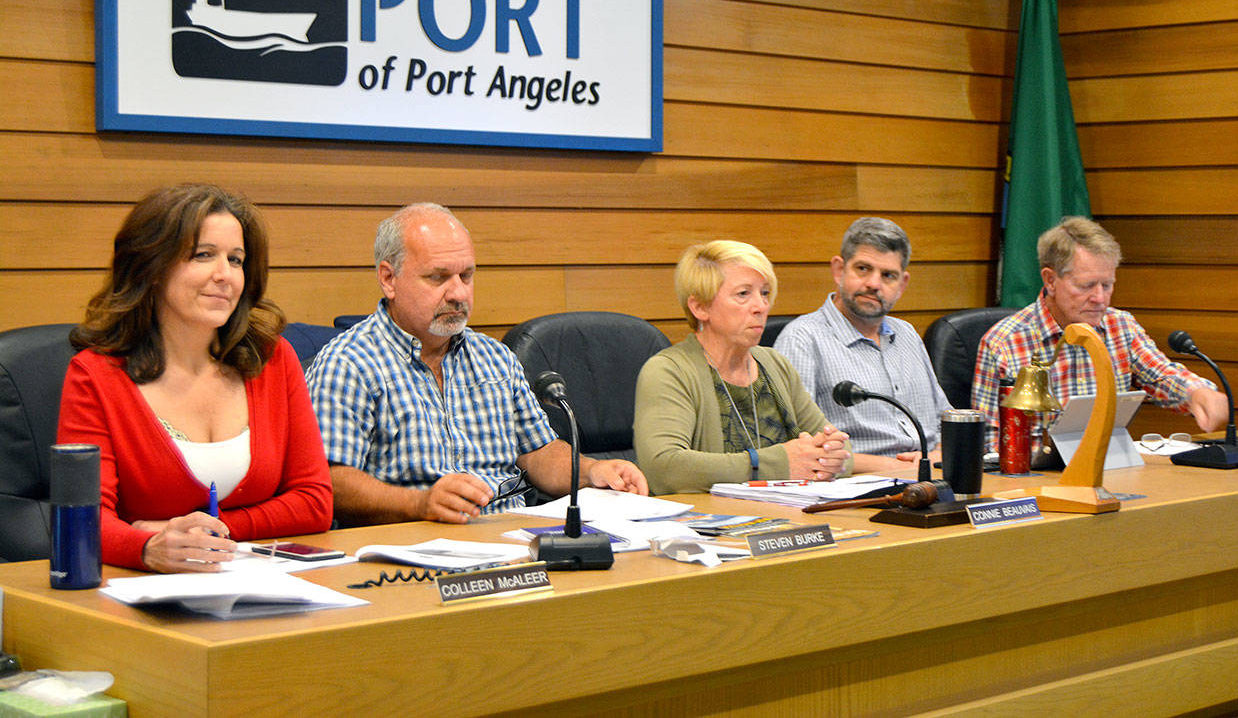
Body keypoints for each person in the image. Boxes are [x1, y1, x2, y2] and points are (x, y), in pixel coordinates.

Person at [305, 203, 647, 526]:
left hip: (514, 537)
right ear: (388, 279)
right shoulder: (347, 363)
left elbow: (540, 452)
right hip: (414, 543)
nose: (458, 293)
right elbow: (330, 482)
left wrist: (592, 472)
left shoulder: (494, 357)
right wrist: (419, 504)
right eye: (438, 278)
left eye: (466, 276)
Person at [56, 184, 333, 573]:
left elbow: (314, 502)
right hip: (143, 595)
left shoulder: (271, 358)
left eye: (236, 260)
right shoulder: (96, 375)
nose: (225, 276)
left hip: (266, 584)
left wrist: (207, 537)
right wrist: (148, 547)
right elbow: (82, 519)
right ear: (151, 266)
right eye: (204, 255)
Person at [972, 216, 1228, 451]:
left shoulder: (1120, 326)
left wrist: (1198, 393)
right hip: (1035, 484)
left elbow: (1162, 376)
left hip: (1112, 474)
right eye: (1086, 286)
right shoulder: (1003, 343)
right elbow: (988, 445)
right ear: (1050, 280)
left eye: (1107, 285)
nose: (1099, 298)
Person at [633, 240, 852, 495]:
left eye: (765, 293)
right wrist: (775, 464)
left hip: (789, 516)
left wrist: (832, 457)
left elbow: (833, 450)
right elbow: (664, 469)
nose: (761, 307)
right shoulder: (669, 371)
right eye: (743, 294)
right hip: (710, 526)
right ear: (700, 307)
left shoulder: (775, 364)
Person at [774, 217, 952, 475]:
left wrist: (937, 456)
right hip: (857, 487)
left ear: (902, 285)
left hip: (933, 477)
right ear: (839, 270)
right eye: (863, 269)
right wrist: (899, 467)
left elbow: (945, 420)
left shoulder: (907, 334)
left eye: (888, 275)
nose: (874, 284)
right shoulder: (803, 339)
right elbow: (801, 448)